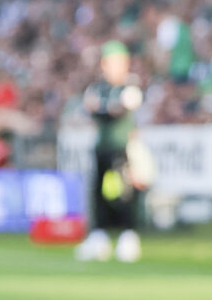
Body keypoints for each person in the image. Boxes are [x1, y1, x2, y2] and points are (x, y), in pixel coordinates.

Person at [74, 40, 144, 262]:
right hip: (102, 147)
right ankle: (99, 236)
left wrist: (102, 109)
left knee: (124, 194)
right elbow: (93, 109)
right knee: (98, 193)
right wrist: (103, 109)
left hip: (122, 148)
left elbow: (114, 111)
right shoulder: (99, 88)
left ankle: (128, 236)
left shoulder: (130, 87)